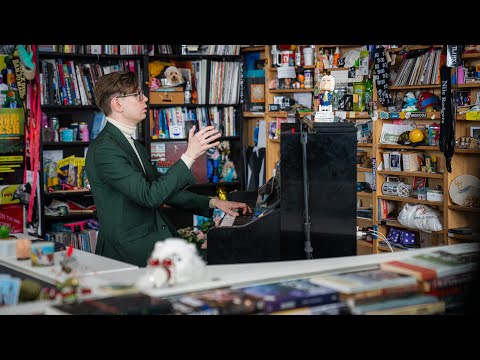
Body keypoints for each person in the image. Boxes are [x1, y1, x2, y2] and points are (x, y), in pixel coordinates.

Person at [85, 71, 251, 266]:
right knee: (222, 260)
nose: (145, 98)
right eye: (138, 94)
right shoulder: (105, 149)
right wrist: (189, 155)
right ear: (117, 104)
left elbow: (163, 190)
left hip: (152, 241)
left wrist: (214, 203)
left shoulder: (132, 144)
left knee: (225, 257)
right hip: (129, 251)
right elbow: (150, 196)